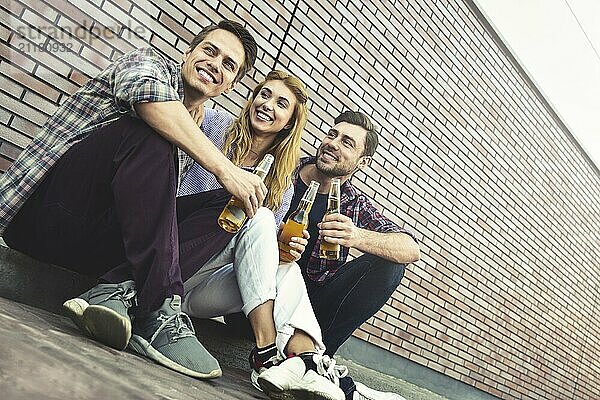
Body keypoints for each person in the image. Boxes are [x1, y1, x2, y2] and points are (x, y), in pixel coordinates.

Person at [0, 19, 262, 379]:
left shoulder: (195, 124)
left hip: (96, 246)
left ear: (231, 83)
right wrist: (225, 168)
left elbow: (152, 210)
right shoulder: (146, 64)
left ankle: (115, 290)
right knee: (151, 129)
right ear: (190, 52)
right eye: (209, 51)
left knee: (231, 206)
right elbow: (153, 104)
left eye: (228, 64)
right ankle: (158, 308)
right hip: (45, 218)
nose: (215, 64)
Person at [178, 70, 347, 400]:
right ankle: (270, 353)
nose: (267, 104)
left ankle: (304, 363)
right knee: (260, 217)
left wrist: (282, 252)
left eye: (281, 103)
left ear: (288, 123)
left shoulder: (281, 184)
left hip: (200, 292)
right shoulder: (211, 125)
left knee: (286, 267)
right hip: (172, 261)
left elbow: (257, 257)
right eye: (264, 94)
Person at [279, 110, 421, 399]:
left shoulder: (353, 204)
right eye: (332, 134)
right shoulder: (286, 168)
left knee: (390, 265)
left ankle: (317, 358)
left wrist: (356, 236)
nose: (333, 143)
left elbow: (410, 248)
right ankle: (311, 364)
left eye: (347, 142)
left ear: (362, 162)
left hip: (313, 306)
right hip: (263, 293)